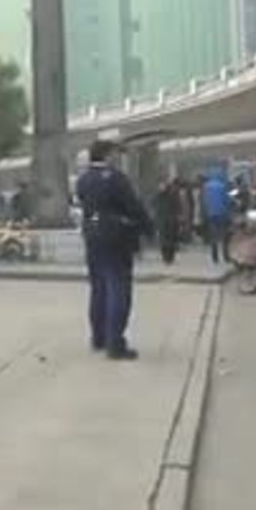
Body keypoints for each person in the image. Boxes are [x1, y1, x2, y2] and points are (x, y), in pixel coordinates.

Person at [76, 140, 155, 361]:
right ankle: (115, 343)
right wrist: (148, 228)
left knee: (98, 288)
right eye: (115, 154)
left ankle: (99, 337)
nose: (117, 158)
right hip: (116, 237)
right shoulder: (117, 179)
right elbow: (133, 206)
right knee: (118, 288)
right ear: (107, 155)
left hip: (92, 236)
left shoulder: (83, 180)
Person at [202, 169, 234, 265]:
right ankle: (226, 256)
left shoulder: (206, 187)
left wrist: (207, 211)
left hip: (211, 214)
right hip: (223, 214)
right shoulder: (223, 186)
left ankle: (214, 256)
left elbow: (205, 201)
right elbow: (227, 200)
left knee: (213, 236)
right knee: (225, 236)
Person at [152, 177, 182, 265]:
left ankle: (170, 257)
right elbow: (153, 205)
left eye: (163, 185)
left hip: (171, 221)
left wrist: (179, 218)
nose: (161, 187)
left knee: (171, 240)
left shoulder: (172, 196)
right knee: (163, 240)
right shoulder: (157, 196)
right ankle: (165, 257)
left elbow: (178, 207)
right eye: (160, 186)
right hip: (162, 221)